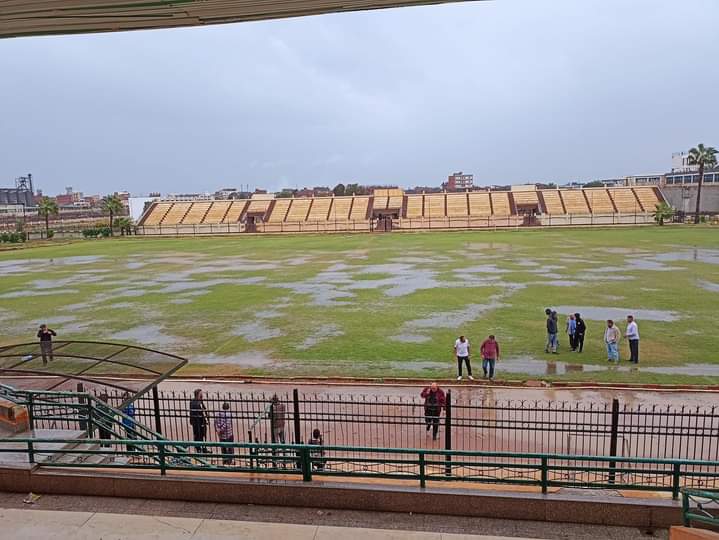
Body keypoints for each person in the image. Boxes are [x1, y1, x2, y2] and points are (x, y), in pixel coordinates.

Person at [189, 388, 208, 454]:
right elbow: (194, 412)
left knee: (203, 435)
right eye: (201, 394)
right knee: (198, 435)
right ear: (198, 395)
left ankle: (204, 447)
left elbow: (204, 410)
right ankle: (198, 448)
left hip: (202, 421)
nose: (202, 395)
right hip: (197, 422)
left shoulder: (200, 401)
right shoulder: (194, 402)